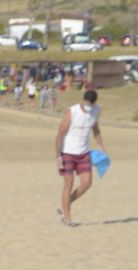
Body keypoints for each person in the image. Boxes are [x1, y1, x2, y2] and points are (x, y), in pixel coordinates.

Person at [55, 88, 104, 227]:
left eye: (91, 105)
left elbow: (95, 129)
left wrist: (100, 146)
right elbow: (60, 133)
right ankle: (67, 217)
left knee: (87, 183)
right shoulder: (72, 111)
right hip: (67, 152)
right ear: (83, 101)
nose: (89, 108)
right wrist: (58, 155)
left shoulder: (96, 110)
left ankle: (66, 204)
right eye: (87, 105)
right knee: (68, 184)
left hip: (83, 153)